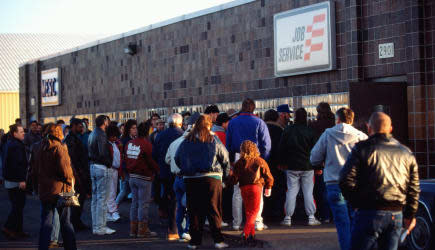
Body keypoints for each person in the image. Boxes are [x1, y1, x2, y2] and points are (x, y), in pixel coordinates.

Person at [339, 112, 420, 250]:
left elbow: (345, 179)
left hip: (368, 210)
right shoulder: (406, 152)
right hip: (396, 213)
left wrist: (356, 202)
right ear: (391, 128)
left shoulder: (362, 149)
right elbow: (413, 187)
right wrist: (410, 215)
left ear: (369, 128)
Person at [310, 108, 368, 250]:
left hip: (334, 183)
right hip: (355, 184)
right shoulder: (361, 136)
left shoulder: (328, 134)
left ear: (338, 119)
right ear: (352, 120)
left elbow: (314, 158)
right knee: (356, 220)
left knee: (342, 223)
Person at [175, 114, 230, 249]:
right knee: (214, 210)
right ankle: (218, 240)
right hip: (212, 177)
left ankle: (194, 242)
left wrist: (186, 168)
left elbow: (177, 157)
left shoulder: (186, 140)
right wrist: (226, 176)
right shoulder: (213, 139)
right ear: (209, 125)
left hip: (191, 178)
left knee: (194, 211)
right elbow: (225, 158)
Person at [226, 98, 271, 231]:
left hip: (238, 156)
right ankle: (257, 222)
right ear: (253, 108)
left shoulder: (233, 122)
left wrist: (231, 159)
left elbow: (228, 143)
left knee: (237, 191)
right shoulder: (259, 122)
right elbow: (266, 145)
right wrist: (263, 158)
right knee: (258, 189)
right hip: (256, 157)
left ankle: (236, 222)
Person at [33, 124, 77, 250]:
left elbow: (34, 170)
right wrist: (71, 185)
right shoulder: (60, 147)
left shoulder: (38, 147)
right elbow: (67, 172)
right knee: (66, 223)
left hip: (45, 190)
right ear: (58, 133)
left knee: (46, 222)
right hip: (62, 190)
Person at [278, 108, 321, 227]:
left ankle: (287, 218)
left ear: (295, 117)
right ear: (306, 117)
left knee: (291, 191)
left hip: (291, 166)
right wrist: (318, 166)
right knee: (308, 192)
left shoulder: (288, 130)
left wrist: (281, 163)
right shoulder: (310, 131)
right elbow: (316, 150)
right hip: (308, 166)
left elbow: (282, 148)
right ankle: (311, 217)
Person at [227, 140, 273, 246]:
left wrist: (229, 179)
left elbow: (234, 179)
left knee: (248, 212)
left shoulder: (239, 162)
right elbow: (268, 176)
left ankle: (251, 235)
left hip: (244, 188)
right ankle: (246, 233)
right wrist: (269, 187)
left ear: (242, 150)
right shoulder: (260, 161)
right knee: (254, 211)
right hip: (256, 187)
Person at [165, 112, 200, 242]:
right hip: (188, 178)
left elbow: (167, 159)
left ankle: (180, 233)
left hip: (176, 178)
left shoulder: (174, 143)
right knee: (191, 206)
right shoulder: (191, 143)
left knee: (180, 206)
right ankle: (187, 231)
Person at [152, 113, 184, 240]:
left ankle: (170, 223)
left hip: (164, 171)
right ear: (180, 123)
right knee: (178, 199)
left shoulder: (160, 135)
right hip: (179, 171)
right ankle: (176, 227)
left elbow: (154, 154)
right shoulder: (182, 134)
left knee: (169, 195)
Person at [125, 122, 159, 238]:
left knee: (134, 203)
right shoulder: (147, 144)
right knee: (143, 204)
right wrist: (157, 170)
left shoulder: (129, 143)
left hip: (132, 177)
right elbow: (151, 161)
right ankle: (142, 230)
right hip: (144, 177)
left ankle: (133, 229)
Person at [88, 115, 115, 235]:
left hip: (93, 166)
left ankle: (96, 226)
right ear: (104, 122)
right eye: (107, 121)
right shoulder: (101, 134)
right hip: (101, 167)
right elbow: (102, 153)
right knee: (102, 199)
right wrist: (109, 164)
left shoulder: (93, 133)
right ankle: (100, 227)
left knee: (96, 198)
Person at [1, 124, 29, 240]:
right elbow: (17, 165)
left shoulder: (10, 143)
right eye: (21, 131)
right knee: (17, 206)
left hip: (11, 180)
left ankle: (18, 230)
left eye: (23, 131)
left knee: (18, 206)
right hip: (16, 181)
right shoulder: (16, 146)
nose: (23, 133)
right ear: (14, 133)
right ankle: (9, 228)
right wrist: (22, 180)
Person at [64, 118, 92, 232]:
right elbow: (72, 159)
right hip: (76, 173)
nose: (82, 128)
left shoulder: (75, 138)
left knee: (80, 198)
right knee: (76, 198)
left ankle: (76, 220)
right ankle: (74, 221)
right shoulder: (71, 139)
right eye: (80, 126)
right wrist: (78, 174)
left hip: (80, 171)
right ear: (74, 126)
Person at [310, 102, 335, 223]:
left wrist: (317, 164)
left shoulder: (315, 126)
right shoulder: (334, 124)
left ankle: (324, 215)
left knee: (321, 190)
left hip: (321, 162)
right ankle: (334, 214)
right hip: (334, 161)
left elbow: (315, 147)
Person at [262, 109, 286, 222]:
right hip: (277, 164)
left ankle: (265, 212)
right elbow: (282, 147)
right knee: (278, 188)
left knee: (264, 187)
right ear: (277, 118)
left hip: (263, 163)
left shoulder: (262, 128)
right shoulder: (280, 130)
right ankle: (277, 213)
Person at [116, 119, 137, 205]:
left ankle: (114, 208)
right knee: (125, 190)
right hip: (126, 168)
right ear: (128, 129)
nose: (135, 130)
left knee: (127, 190)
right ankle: (114, 208)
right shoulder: (125, 140)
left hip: (131, 168)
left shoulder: (132, 138)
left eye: (136, 128)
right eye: (133, 128)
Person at [106, 124, 122, 222]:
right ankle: (112, 212)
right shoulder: (108, 145)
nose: (115, 138)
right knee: (111, 192)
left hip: (114, 169)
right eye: (113, 136)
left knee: (112, 192)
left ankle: (109, 212)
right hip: (110, 169)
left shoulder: (113, 144)